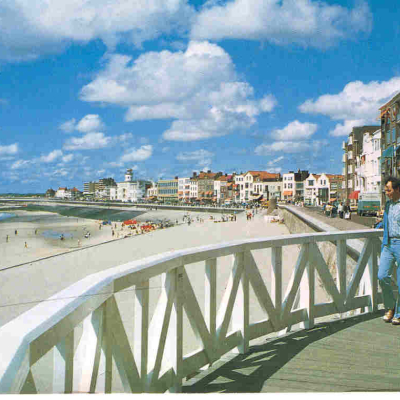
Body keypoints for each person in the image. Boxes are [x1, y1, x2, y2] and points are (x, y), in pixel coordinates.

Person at [378, 176, 400, 325]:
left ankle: (398, 313)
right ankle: (391, 306)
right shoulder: (388, 205)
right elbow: (386, 223)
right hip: (388, 244)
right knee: (382, 276)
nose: (386, 193)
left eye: (389, 190)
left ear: (398, 189)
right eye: (385, 190)